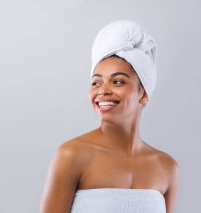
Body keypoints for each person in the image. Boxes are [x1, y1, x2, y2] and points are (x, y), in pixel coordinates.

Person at [40, 20, 179, 213]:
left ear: (144, 94)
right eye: (96, 83)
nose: (103, 91)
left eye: (118, 81)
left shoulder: (166, 167)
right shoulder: (72, 155)